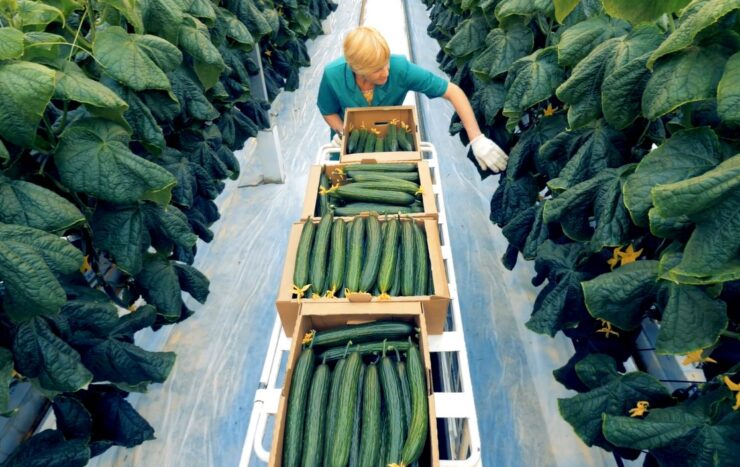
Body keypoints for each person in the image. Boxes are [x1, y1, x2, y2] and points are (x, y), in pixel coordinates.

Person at [317, 26, 508, 173]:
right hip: (349, 143)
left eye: (385, 64)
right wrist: (342, 132)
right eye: (377, 70)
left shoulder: (400, 68)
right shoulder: (333, 74)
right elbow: (328, 110)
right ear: (358, 70)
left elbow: (453, 92)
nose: (386, 72)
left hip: (389, 137)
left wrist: (477, 138)